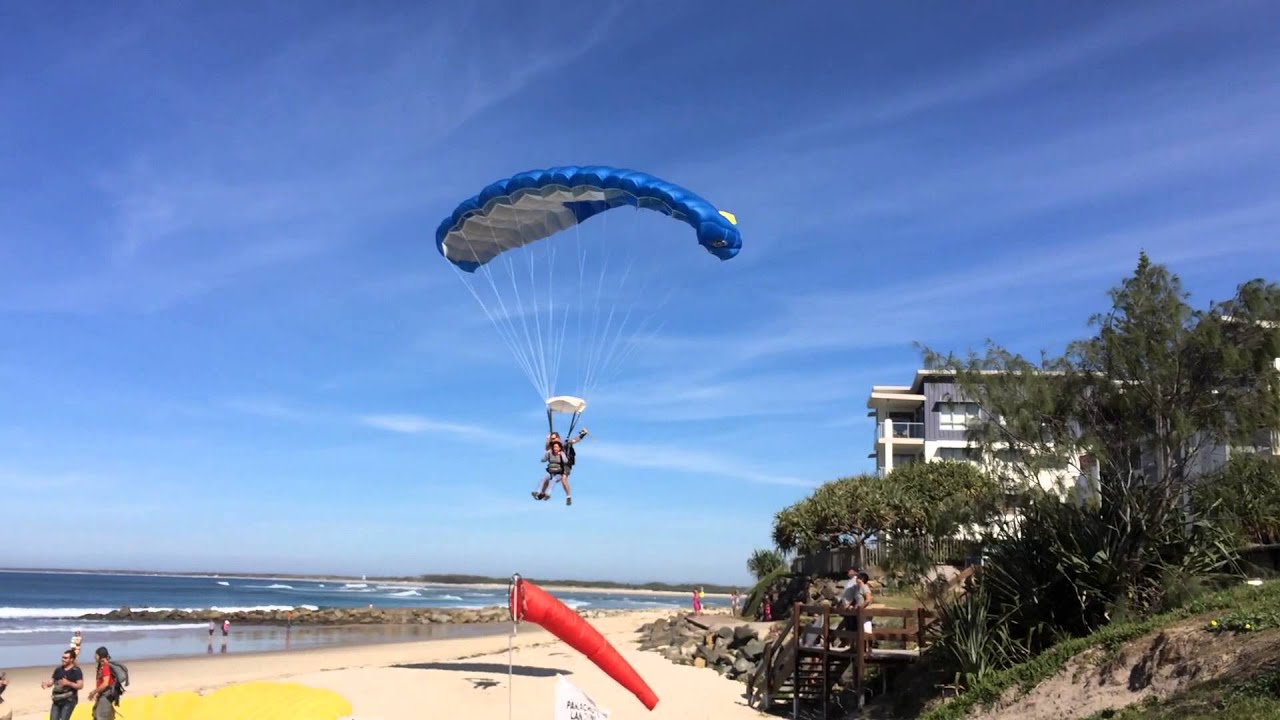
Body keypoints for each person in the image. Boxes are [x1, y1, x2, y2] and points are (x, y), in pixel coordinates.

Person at [41, 649, 85, 720]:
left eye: (65, 658)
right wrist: (46, 684)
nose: (63, 659)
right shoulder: (58, 669)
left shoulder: (76, 671)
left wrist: (68, 683)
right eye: (63, 657)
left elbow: (80, 685)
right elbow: (52, 681)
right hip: (56, 699)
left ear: (71, 659)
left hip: (68, 700)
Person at [532, 439, 572, 505]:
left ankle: (548, 494)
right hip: (550, 472)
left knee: (553, 480)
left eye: (556, 447)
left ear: (559, 448)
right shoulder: (550, 453)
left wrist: (561, 455)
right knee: (543, 478)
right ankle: (537, 492)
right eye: (554, 447)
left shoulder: (562, 453)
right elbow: (543, 460)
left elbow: (565, 461)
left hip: (558, 474)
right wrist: (546, 453)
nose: (555, 448)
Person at [85, 647, 115, 720]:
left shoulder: (105, 666)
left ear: (99, 656)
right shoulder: (102, 666)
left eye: (96, 655)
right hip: (103, 696)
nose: (94, 657)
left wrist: (94, 692)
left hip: (105, 697)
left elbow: (105, 684)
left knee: (101, 717)